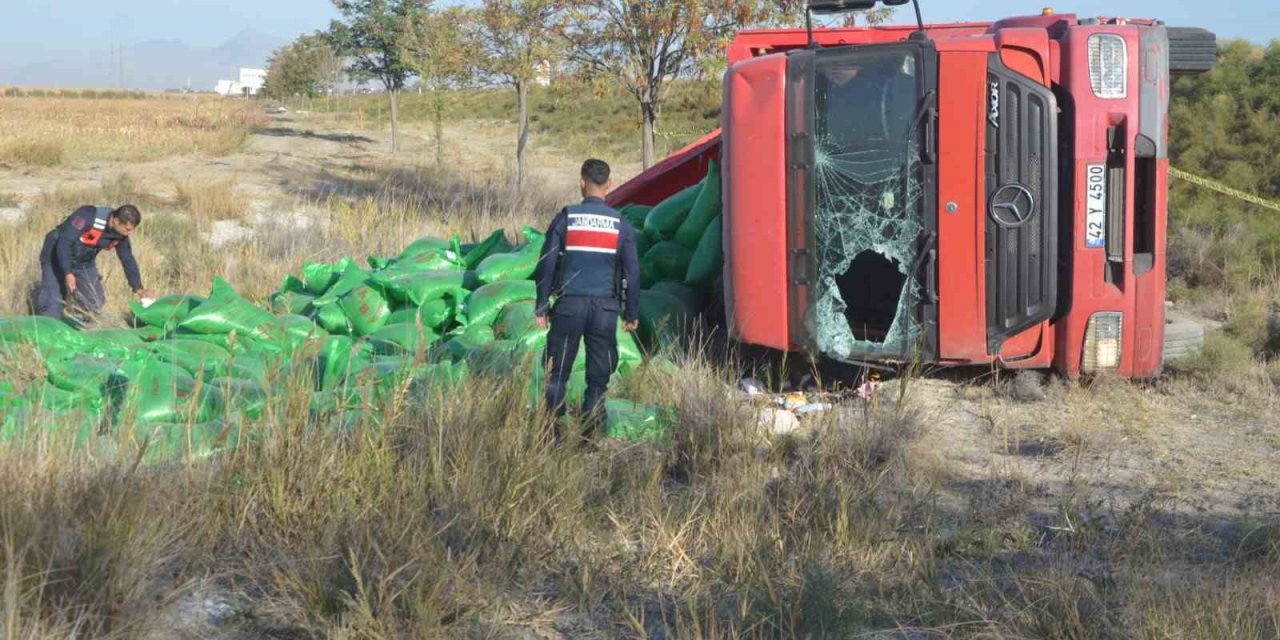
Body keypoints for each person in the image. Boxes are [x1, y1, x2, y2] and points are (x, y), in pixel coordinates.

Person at [535, 159, 641, 438]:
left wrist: (542, 305)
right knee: (598, 378)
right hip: (605, 310)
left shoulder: (566, 218)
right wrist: (631, 313)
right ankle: (591, 436)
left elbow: (547, 264)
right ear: (608, 184)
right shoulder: (621, 225)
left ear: (582, 183)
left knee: (556, 373)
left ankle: (551, 435)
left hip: (569, 306)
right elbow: (632, 271)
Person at [37, 204, 152, 322]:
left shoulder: (121, 235)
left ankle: (83, 328)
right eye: (128, 229)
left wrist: (138, 288)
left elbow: (127, 259)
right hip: (55, 253)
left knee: (95, 301)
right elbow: (64, 242)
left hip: (83, 261)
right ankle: (47, 328)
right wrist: (68, 272)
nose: (129, 233)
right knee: (53, 300)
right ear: (116, 220)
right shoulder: (87, 216)